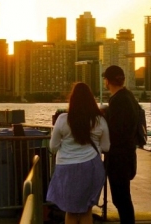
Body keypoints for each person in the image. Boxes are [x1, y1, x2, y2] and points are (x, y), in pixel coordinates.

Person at [46, 83, 110, 224]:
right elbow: (106, 147)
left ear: (72, 99)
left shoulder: (63, 119)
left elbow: (53, 146)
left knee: (71, 211)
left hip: (66, 168)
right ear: (91, 99)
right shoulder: (99, 120)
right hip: (92, 167)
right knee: (87, 210)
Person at [101, 65, 138, 224]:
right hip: (127, 154)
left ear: (108, 81)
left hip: (118, 157)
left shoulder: (118, 101)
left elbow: (116, 130)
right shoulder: (129, 97)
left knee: (121, 198)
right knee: (123, 198)